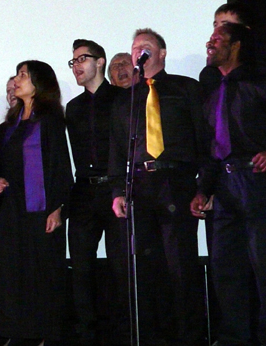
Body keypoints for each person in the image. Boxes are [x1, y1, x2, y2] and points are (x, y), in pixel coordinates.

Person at [109, 28, 208, 345]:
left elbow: (204, 140)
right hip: (139, 184)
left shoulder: (185, 88)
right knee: (145, 267)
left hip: (176, 181)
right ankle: (153, 337)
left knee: (180, 264)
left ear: (162, 53)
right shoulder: (125, 100)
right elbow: (116, 150)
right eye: (136, 47)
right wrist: (117, 192)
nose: (140, 51)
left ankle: (189, 336)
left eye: (147, 46)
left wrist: (203, 186)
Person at [191, 23, 266, 345]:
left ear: (235, 45)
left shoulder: (258, 81)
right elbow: (211, 143)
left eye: (217, 39)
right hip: (223, 185)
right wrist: (203, 190)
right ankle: (236, 338)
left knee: (262, 268)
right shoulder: (211, 89)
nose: (210, 43)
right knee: (226, 272)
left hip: (256, 182)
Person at [0, 61, 72, 345]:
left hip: (41, 211)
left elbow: (61, 167)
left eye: (23, 75)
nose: (16, 80)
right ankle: (20, 334)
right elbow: (4, 166)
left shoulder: (49, 120)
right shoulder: (11, 125)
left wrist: (58, 208)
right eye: (17, 75)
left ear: (39, 83)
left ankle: (44, 335)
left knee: (41, 273)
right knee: (14, 272)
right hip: (13, 211)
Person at [65, 40, 128, 345]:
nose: (77, 65)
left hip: (114, 189)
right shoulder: (73, 107)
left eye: (83, 59)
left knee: (120, 265)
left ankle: (123, 332)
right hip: (84, 191)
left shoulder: (121, 98)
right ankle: (86, 334)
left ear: (100, 62)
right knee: (80, 267)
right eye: (73, 61)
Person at [199, 3, 254, 97]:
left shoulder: (256, 74)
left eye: (226, 25)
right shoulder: (210, 74)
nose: (219, 30)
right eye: (216, 25)